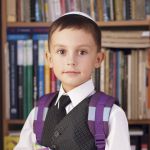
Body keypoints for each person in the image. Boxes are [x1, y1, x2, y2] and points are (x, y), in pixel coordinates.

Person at [14, 12, 131, 150]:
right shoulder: (38, 112)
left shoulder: (112, 115)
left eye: (82, 52)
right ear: (49, 59)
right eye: (62, 51)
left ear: (98, 59)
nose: (71, 61)